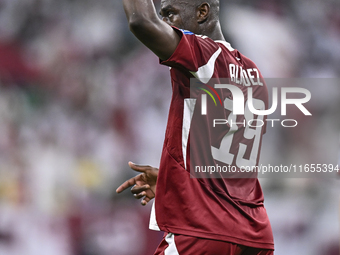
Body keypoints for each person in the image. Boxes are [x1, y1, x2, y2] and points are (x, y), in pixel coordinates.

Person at [116, 0, 274, 254]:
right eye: (163, 15)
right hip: (254, 235)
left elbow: (141, 21)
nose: (166, 23)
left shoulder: (204, 56)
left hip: (204, 230)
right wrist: (174, 181)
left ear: (202, 12)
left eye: (170, 14)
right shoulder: (253, 72)